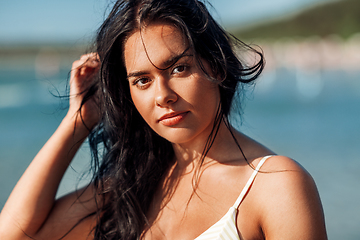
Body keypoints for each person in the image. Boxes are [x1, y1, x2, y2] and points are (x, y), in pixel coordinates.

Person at [0, 0, 327, 239]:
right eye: (142, 80)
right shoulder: (129, 189)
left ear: (215, 64)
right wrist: (78, 122)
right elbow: (14, 233)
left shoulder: (276, 186)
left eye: (179, 68)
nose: (162, 95)